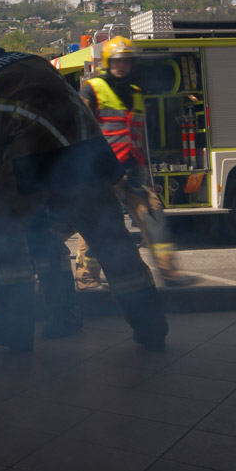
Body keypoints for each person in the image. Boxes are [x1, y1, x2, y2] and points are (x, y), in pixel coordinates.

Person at [0, 27, 168, 352]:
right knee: (112, 243)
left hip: (35, 160)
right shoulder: (27, 61)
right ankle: (151, 328)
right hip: (89, 154)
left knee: (0, 236)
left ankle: (14, 326)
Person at [78, 37, 193, 289]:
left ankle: (169, 272)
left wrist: (142, 170)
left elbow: (138, 137)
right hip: (102, 173)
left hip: (131, 170)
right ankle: (88, 279)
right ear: (108, 62)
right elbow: (81, 131)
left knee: (154, 216)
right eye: (117, 61)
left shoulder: (136, 93)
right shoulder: (91, 89)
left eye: (126, 61)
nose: (122, 65)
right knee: (97, 227)